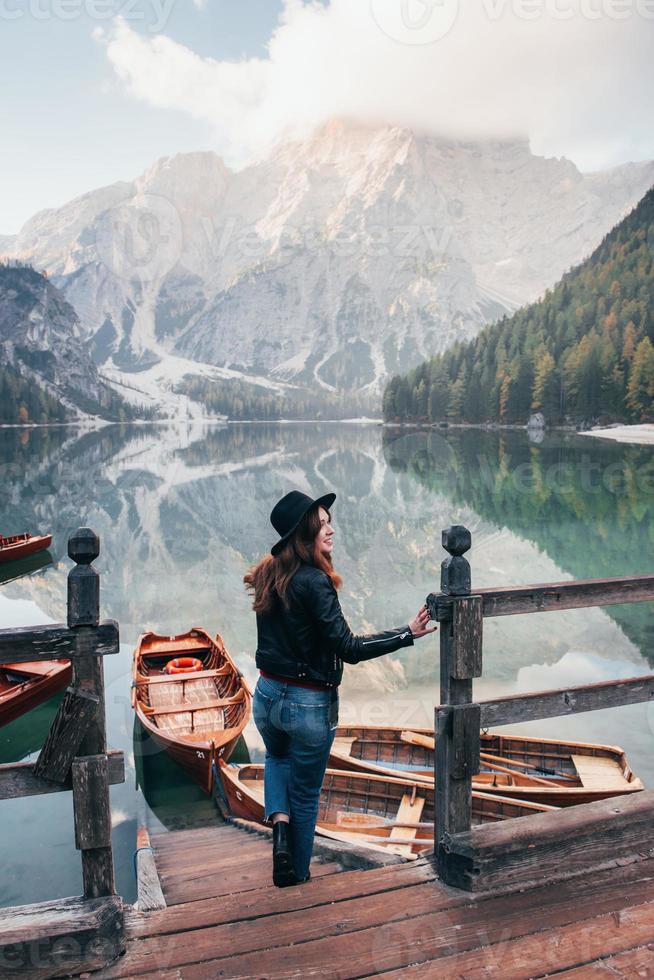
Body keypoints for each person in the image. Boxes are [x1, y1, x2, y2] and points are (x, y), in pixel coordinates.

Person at [243, 489, 436, 887]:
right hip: (308, 704)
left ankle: (279, 829)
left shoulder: (269, 572)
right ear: (304, 531)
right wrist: (406, 633)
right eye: (322, 522)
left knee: (277, 761)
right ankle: (296, 873)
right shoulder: (315, 582)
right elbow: (348, 648)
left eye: (329, 521)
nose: (331, 528)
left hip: (266, 697)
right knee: (307, 792)